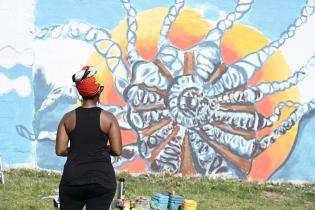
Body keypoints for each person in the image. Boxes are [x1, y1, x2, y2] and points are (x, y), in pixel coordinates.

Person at [56, 65, 122, 210]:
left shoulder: (67, 119)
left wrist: (78, 149)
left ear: (81, 92)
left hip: (73, 180)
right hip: (102, 181)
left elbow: (60, 150)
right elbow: (117, 150)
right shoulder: (109, 119)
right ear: (99, 91)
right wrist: (101, 148)